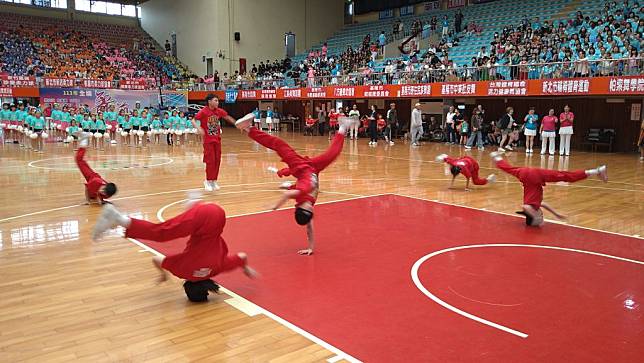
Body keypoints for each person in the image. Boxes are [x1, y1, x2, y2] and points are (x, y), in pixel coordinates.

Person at [92, 201, 257, 302]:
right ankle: (118, 219)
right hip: (204, 219)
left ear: (207, 288)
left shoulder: (218, 268)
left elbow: (242, 256)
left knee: (173, 229)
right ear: (187, 286)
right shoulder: (183, 270)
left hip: (216, 219)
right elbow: (156, 259)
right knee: (161, 233)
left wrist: (246, 269)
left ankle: (195, 203)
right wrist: (163, 274)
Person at [235, 114, 352, 255]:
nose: (311, 208)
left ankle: (249, 128)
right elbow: (309, 229)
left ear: (300, 207)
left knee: (278, 144)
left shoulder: (302, 193)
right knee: (333, 154)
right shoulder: (307, 208)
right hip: (313, 167)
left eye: (308, 209)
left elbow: (288, 194)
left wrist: (274, 206)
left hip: (300, 166)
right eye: (311, 211)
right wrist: (311, 248)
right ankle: (342, 127)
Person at [490, 151, 607, 226]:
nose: (542, 215)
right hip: (526, 173)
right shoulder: (535, 203)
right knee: (509, 169)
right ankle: (497, 158)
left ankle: (596, 171)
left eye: (541, 215)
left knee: (566, 176)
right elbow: (543, 204)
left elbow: (525, 207)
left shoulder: (530, 205)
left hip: (533, 176)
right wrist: (556, 214)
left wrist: (536, 219)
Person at [193, 94, 238, 192]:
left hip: (217, 140)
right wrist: (199, 128)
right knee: (210, 161)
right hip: (208, 141)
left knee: (217, 161)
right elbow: (194, 120)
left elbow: (227, 117)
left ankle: (214, 180)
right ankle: (208, 181)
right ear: (209, 101)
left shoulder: (218, 111)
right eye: (215, 100)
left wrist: (237, 123)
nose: (217, 102)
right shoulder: (204, 111)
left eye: (218, 101)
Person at [74, 131, 118, 204]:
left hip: (93, 182)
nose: (102, 191)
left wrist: (102, 200)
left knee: (80, 160)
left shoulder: (108, 194)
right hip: (91, 176)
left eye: (104, 192)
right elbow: (87, 188)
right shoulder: (96, 182)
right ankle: (85, 139)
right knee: (79, 160)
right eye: (103, 189)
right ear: (105, 186)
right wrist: (88, 201)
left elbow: (100, 195)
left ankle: (84, 140)